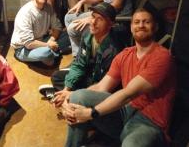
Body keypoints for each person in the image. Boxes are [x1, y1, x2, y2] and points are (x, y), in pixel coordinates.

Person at [63, 8, 176, 147]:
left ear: (156, 27)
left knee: (131, 144)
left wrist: (91, 113)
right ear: (131, 28)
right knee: (78, 97)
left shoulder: (162, 57)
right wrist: (68, 98)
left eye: (146, 22)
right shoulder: (124, 55)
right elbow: (100, 87)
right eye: (136, 22)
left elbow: (128, 93)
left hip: (150, 123)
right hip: (125, 111)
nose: (140, 25)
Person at [39, 2, 121, 107]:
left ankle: (68, 98)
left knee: (102, 101)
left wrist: (74, 95)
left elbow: (105, 86)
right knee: (57, 77)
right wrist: (66, 89)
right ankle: (66, 95)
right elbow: (79, 64)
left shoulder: (114, 49)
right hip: (90, 75)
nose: (93, 22)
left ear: (111, 24)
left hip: (102, 86)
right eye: (92, 16)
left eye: (100, 19)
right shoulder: (88, 35)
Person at [11, 0, 70, 67]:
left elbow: (57, 27)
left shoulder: (48, 7)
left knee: (69, 33)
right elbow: (29, 43)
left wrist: (52, 40)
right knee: (46, 53)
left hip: (41, 40)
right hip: (23, 48)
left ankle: (51, 55)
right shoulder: (26, 12)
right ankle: (52, 54)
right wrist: (48, 45)